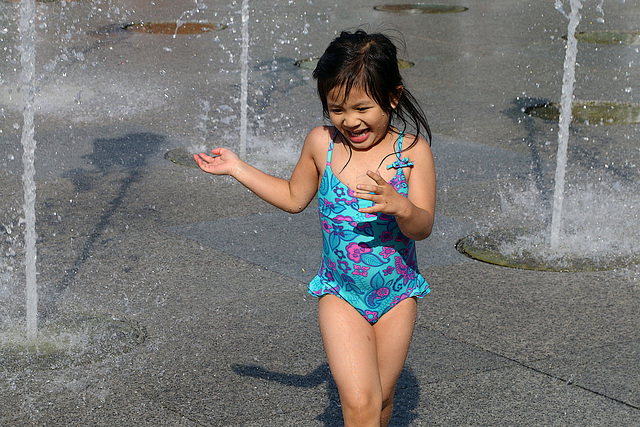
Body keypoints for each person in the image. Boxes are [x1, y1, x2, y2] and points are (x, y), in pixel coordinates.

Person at [195, 29, 436, 427]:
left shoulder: (411, 153)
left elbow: (423, 226)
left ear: (392, 97)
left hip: (397, 294)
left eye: (362, 108)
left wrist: (401, 207)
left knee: (381, 400)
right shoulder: (321, 144)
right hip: (340, 293)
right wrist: (237, 167)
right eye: (337, 108)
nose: (350, 121)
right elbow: (293, 196)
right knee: (359, 402)